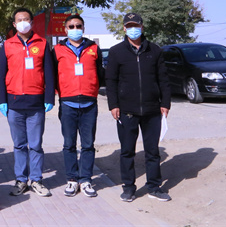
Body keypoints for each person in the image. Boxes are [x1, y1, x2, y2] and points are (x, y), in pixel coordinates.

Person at [106, 12, 172, 203]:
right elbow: (111, 80)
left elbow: (163, 79)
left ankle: (154, 187)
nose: (133, 29)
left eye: (136, 25)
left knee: (152, 151)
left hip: (152, 110)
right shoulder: (116, 51)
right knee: (127, 151)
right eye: (129, 26)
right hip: (126, 111)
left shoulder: (155, 50)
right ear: (124, 28)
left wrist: (165, 103)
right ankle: (128, 188)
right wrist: (113, 105)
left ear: (142, 27)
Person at [0, 8, 54, 197]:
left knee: (36, 145)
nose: (23, 22)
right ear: (14, 24)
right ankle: (21, 180)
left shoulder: (42, 43)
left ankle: (36, 180)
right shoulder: (7, 45)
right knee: (19, 145)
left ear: (32, 22)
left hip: (36, 103)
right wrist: (2, 100)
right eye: (19, 20)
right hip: (14, 103)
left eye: (26, 19)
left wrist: (49, 98)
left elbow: (49, 73)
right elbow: (1, 75)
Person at [54, 13, 104, 198]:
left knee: (88, 144)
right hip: (67, 103)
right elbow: (52, 74)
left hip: (89, 103)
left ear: (83, 28)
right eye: (71, 26)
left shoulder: (93, 48)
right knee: (69, 144)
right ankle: (72, 179)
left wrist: (93, 89)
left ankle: (86, 180)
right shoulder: (57, 50)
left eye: (78, 26)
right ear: (65, 30)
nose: (75, 29)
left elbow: (100, 73)